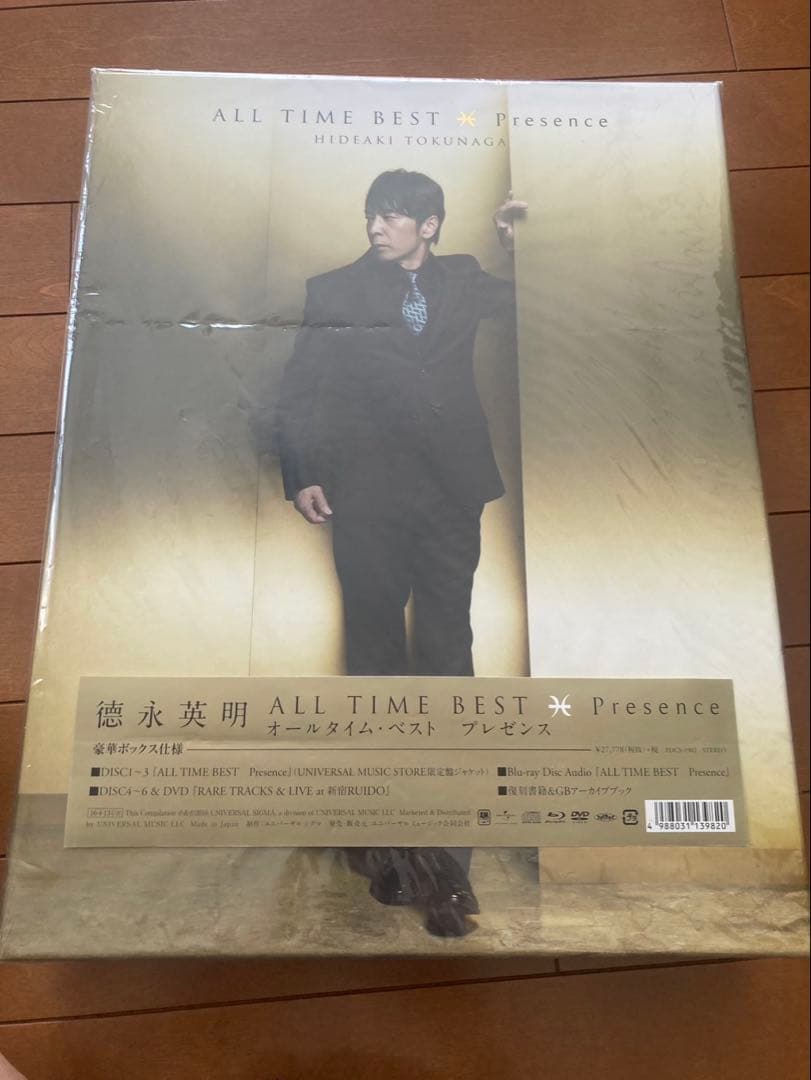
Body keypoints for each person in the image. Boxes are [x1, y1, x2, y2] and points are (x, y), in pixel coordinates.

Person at [276, 168, 525, 936]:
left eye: (390, 217)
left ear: (429, 225)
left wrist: (521, 244)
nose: (375, 228)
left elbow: (542, 307)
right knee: (376, 664)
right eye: (371, 216)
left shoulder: (466, 279)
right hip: (367, 498)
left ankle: (447, 870)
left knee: (449, 658)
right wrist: (303, 473)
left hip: (450, 497)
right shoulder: (334, 291)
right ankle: (388, 853)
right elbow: (299, 387)